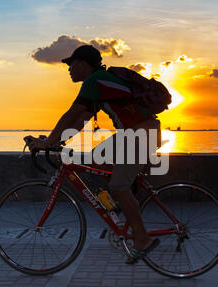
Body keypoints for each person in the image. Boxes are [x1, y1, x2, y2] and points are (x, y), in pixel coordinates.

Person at [25, 45, 160, 263]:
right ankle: (118, 202)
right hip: (136, 133)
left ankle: (142, 238)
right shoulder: (99, 83)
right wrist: (55, 142)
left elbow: (72, 113)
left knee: (118, 185)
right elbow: (80, 120)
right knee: (94, 158)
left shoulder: (94, 81)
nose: (68, 69)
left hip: (140, 134)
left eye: (71, 64)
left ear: (83, 64)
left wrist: (48, 142)